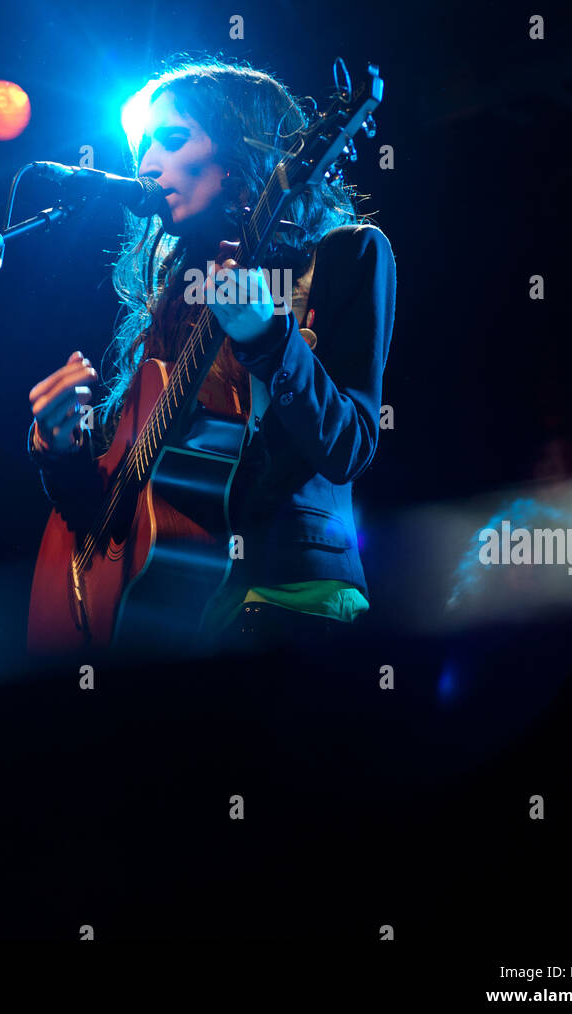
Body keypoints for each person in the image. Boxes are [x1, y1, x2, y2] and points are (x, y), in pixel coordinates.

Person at [27, 57, 396, 652]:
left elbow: (350, 445)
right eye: (144, 146)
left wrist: (268, 341)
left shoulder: (346, 255)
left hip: (291, 601)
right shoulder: (175, 292)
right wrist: (60, 450)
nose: (146, 164)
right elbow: (125, 508)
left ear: (244, 154)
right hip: (179, 621)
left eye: (172, 139)